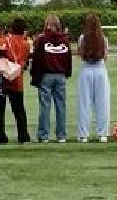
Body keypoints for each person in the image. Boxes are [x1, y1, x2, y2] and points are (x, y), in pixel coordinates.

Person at [30, 15, 73, 143]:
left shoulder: (42, 40)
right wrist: (67, 73)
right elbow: (68, 58)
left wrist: (35, 75)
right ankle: (61, 135)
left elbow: (37, 59)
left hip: (46, 75)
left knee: (45, 106)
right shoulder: (64, 40)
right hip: (60, 75)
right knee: (61, 106)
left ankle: (44, 135)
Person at [0, 18, 32, 145]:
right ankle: (23, 135)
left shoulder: (3, 40)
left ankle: (0, 136)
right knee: (19, 110)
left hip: (0, 78)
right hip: (16, 79)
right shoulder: (26, 44)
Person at [76, 13, 111, 143]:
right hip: (100, 70)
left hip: (86, 70)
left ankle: (83, 134)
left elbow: (80, 54)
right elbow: (105, 56)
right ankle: (103, 133)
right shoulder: (103, 39)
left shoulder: (82, 38)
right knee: (102, 103)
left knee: (84, 104)